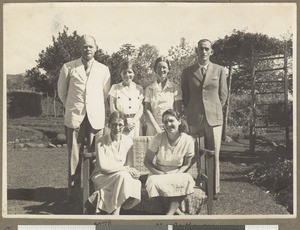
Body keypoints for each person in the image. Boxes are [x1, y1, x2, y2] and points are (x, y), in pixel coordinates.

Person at [57, 35, 111, 203]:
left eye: (90, 46)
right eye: (84, 46)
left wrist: (92, 108)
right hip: (75, 117)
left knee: (96, 156)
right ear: (80, 48)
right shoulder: (69, 67)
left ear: (96, 48)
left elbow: (105, 94)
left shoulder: (103, 69)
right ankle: (72, 195)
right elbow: (62, 93)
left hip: (95, 118)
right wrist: (74, 107)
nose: (87, 49)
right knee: (74, 156)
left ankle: (95, 193)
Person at [181, 39, 228, 195]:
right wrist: (195, 110)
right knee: (196, 155)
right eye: (201, 49)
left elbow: (223, 95)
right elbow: (186, 97)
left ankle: (214, 190)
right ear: (196, 50)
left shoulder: (220, 70)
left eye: (207, 49)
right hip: (195, 119)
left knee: (214, 155)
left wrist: (212, 109)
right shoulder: (187, 72)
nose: (204, 52)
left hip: (214, 120)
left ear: (211, 51)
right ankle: (197, 190)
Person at [87, 111, 141, 215]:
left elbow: (129, 165)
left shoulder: (128, 141)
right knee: (123, 176)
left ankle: (113, 213)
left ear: (124, 125)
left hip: (119, 177)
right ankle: (115, 214)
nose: (117, 128)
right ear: (108, 125)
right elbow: (103, 168)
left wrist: (133, 172)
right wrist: (126, 169)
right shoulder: (100, 141)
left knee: (127, 178)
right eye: (114, 125)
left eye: (120, 125)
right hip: (102, 177)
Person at [143, 109, 195, 215]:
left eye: (171, 121)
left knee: (187, 180)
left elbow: (186, 164)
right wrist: (160, 173)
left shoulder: (188, 140)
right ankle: (175, 213)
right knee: (153, 182)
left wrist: (177, 173)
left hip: (177, 172)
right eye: (165, 122)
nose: (168, 124)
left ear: (179, 121)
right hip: (159, 172)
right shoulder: (158, 138)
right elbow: (147, 161)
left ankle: (169, 215)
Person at [144, 56, 182, 136]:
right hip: (153, 128)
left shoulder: (175, 88)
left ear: (168, 69)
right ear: (155, 70)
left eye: (164, 67)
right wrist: (156, 128)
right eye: (159, 68)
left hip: (170, 126)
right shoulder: (149, 89)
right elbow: (148, 110)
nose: (161, 70)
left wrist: (170, 126)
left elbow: (177, 111)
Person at [108, 59, 144, 138]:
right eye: (124, 72)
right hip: (120, 125)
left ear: (134, 73)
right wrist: (124, 122)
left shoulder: (139, 88)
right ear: (121, 74)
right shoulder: (115, 87)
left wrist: (133, 122)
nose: (127, 75)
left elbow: (141, 108)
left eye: (130, 72)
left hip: (135, 125)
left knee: (136, 148)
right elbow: (112, 107)